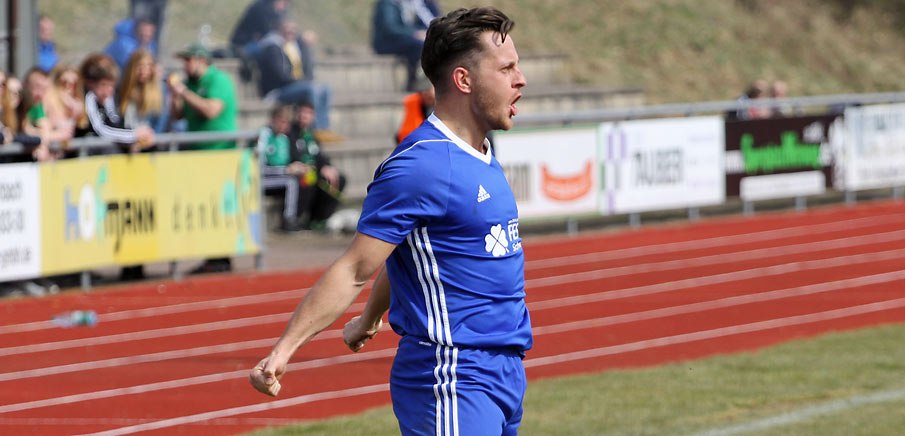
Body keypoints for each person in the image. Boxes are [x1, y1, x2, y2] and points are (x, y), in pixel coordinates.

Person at [250, 7, 530, 435]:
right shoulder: (421, 165)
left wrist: (368, 319)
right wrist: (282, 351)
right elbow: (354, 267)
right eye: (506, 68)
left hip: (504, 373)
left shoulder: (482, 153)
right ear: (464, 79)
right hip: (453, 376)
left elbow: (413, 253)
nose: (520, 79)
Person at [168, 43, 238, 274]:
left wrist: (183, 92)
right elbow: (177, 115)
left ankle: (221, 257)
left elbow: (211, 110)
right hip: (198, 156)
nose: (185, 65)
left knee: (219, 206)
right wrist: (174, 95)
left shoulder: (219, 80)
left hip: (220, 155)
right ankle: (212, 257)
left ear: (201, 60)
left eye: (188, 60)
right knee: (205, 208)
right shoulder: (189, 84)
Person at [255, 19, 334, 134]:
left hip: (296, 85)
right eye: (287, 29)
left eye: (293, 30)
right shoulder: (273, 47)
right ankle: (315, 129)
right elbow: (281, 76)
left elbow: (306, 66)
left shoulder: (294, 46)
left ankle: (323, 128)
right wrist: (301, 82)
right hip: (278, 90)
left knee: (325, 89)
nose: (291, 32)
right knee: (310, 89)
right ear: (280, 30)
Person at [79, 54, 155, 153]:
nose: (108, 90)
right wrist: (134, 135)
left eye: (111, 86)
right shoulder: (89, 98)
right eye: (103, 85)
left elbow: (115, 123)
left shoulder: (109, 98)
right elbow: (101, 130)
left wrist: (137, 137)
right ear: (90, 84)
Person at [287, 101, 345, 229]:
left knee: (338, 179)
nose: (304, 116)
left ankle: (319, 219)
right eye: (302, 112)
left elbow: (318, 156)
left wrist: (326, 167)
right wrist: (316, 169)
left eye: (308, 113)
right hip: (300, 172)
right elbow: (293, 156)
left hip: (314, 171)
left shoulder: (311, 134)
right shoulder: (290, 133)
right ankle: (298, 219)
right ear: (296, 114)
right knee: (309, 180)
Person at [372, 0, 441, 91]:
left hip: (403, 38)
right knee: (419, 45)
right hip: (386, 42)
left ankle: (422, 78)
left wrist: (421, 32)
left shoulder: (410, 3)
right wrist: (414, 33)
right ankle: (417, 79)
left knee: (428, 43)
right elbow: (391, 28)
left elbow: (425, 21)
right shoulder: (387, 3)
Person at [258, 104, 305, 232]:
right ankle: (288, 220)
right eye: (283, 122)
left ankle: (299, 217)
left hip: (276, 178)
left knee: (300, 179)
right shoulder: (264, 135)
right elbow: (258, 168)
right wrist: (286, 170)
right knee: (291, 181)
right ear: (274, 119)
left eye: (287, 123)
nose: (285, 126)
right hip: (259, 180)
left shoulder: (283, 138)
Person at [118, 48, 170, 133]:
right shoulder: (122, 89)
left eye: (148, 66)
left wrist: (150, 137)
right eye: (140, 66)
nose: (143, 71)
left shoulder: (160, 89)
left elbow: (161, 121)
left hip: (149, 137)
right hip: (126, 135)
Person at [44, 65, 87, 138]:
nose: (68, 86)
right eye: (64, 82)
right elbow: (50, 125)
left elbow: (82, 124)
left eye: (74, 84)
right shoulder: (49, 99)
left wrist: (74, 113)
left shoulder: (78, 102)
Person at [395, 75, 435, 143]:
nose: (426, 94)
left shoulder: (445, 105)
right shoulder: (413, 103)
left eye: (428, 90)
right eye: (423, 91)